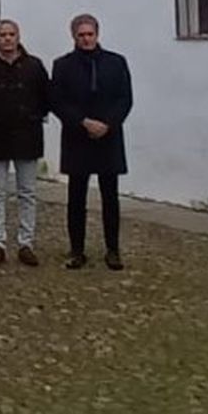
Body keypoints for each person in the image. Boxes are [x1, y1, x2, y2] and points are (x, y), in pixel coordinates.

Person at [50, 14, 133, 271]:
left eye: (90, 34)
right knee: (76, 197)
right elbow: (58, 101)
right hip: (78, 137)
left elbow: (125, 98)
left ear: (97, 34)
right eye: (81, 35)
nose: (86, 39)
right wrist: (83, 122)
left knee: (110, 197)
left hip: (108, 136)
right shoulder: (62, 65)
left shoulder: (116, 62)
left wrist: (107, 124)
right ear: (73, 36)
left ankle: (113, 250)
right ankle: (77, 250)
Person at [0, 19, 50, 267]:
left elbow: (46, 95)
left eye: (11, 34)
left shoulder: (34, 65)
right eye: (2, 34)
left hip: (27, 134)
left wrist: (34, 114)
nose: (7, 38)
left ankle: (26, 243)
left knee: (28, 192)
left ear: (18, 36)